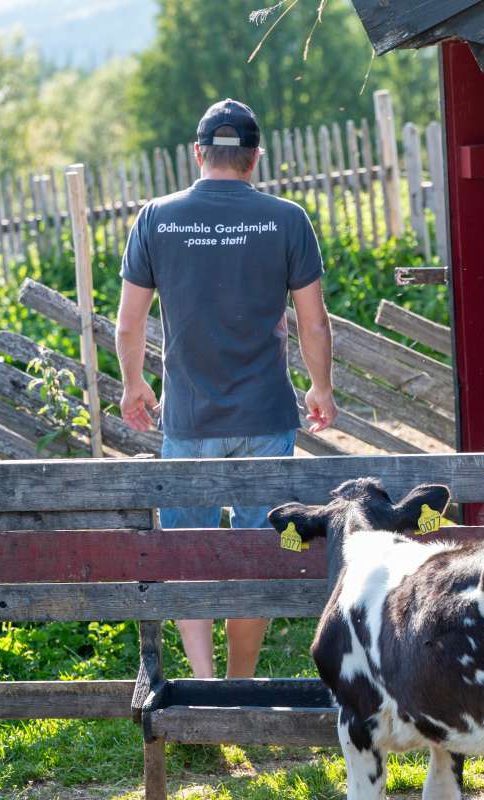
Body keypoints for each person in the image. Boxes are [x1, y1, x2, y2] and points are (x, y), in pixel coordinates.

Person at [115, 98, 338, 679]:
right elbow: (313, 321)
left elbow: (128, 322)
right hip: (266, 418)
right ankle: (240, 684)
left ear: (198, 153)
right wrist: (321, 387)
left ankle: (204, 682)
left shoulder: (156, 219)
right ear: (254, 158)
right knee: (258, 558)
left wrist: (135, 383)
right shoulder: (287, 219)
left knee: (184, 555)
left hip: (188, 419)